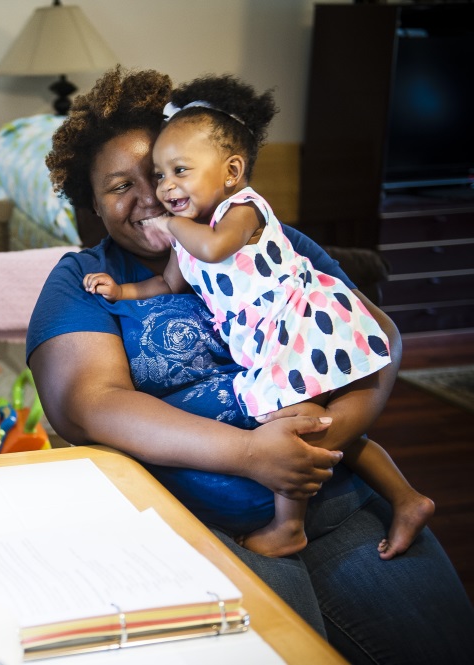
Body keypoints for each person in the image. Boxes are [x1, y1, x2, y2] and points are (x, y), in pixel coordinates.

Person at [28, 66, 474, 663]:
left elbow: (377, 340)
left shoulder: (261, 239)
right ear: (92, 204)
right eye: (120, 185)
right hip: (196, 523)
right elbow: (88, 406)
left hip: (332, 499)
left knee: (446, 645)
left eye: (165, 173)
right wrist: (250, 454)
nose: (155, 195)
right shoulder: (84, 280)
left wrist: (308, 451)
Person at [81, 74, 434, 559]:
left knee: (296, 423)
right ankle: (407, 497)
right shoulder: (179, 244)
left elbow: (215, 247)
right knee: (316, 427)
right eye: (156, 177)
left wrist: (172, 225)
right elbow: (165, 284)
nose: (160, 191)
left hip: (297, 330)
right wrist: (119, 290)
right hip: (268, 345)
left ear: (231, 171)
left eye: (176, 172)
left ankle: (289, 527)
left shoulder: (240, 212)